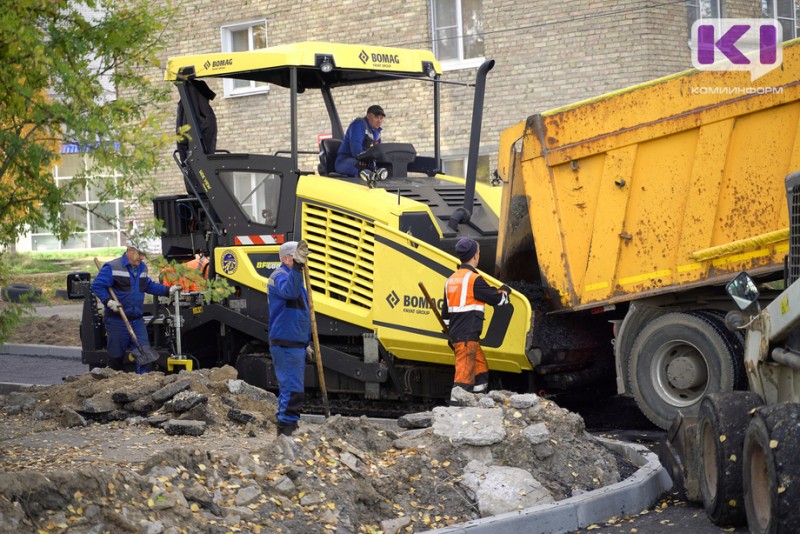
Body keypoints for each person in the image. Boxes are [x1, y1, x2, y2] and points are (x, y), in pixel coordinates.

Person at [91, 240, 181, 372]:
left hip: (136, 320)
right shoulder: (113, 267)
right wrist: (109, 302)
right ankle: (112, 384)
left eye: (143, 254)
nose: (142, 257)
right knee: (116, 357)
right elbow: (97, 285)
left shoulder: (142, 267)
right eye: (139, 254)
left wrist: (167, 291)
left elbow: (148, 285)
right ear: (129, 251)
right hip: (117, 320)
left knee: (145, 353)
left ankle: (143, 383)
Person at [441, 237, 511, 403]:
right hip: (466, 337)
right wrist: (505, 291)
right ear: (474, 256)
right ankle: (455, 414)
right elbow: (498, 300)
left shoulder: (451, 280)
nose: (479, 255)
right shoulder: (474, 279)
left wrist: (452, 336)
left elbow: (445, 316)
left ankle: (478, 402)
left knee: (481, 371)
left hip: (464, 337)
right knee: (463, 381)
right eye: (479, 252)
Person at [267, 240, 311, 436]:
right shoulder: (280, 277)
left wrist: (306, 342)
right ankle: (285, 432)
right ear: (286, 258)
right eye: (297, 258)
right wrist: (298, 268)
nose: (302, 263)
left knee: (294, 389)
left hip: (295, 343)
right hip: (285, 343)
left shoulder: (294, 278)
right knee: (291, 390)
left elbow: (301, 314)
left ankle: (289, 430)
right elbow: (290, 293)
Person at [335, 104, 385, 178]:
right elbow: (356, 151)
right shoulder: (358, 124)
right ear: (368, 116)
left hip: (364, 161)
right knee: (363, 168)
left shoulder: (377, 131)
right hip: (345, 160)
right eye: (376, 117)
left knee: (384, 169)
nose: (379, 121)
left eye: (381, 118)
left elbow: (378, 150)